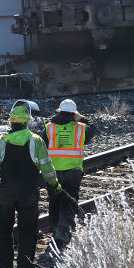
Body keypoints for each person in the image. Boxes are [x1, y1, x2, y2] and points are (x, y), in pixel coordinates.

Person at [0, 103, 61, 268]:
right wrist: (54, 185)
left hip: (6, 192)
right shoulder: (36, 141)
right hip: (28, 193)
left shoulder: (1, 142)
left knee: (2, 229)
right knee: (28, 230)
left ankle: (4, 267)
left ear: (11, 122)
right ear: (27, 122)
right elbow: (48, 169)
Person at [43, 98, 96, 251]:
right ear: (74, 113)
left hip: (53, 172)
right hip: (73, 171)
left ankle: (55, 230)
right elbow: (94, 128)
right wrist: (82, 118)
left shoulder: (49, 127)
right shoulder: (80, 128)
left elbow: (42, 144)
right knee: (69, 202)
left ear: (59, 111)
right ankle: (63, 233)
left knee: (54, 201)